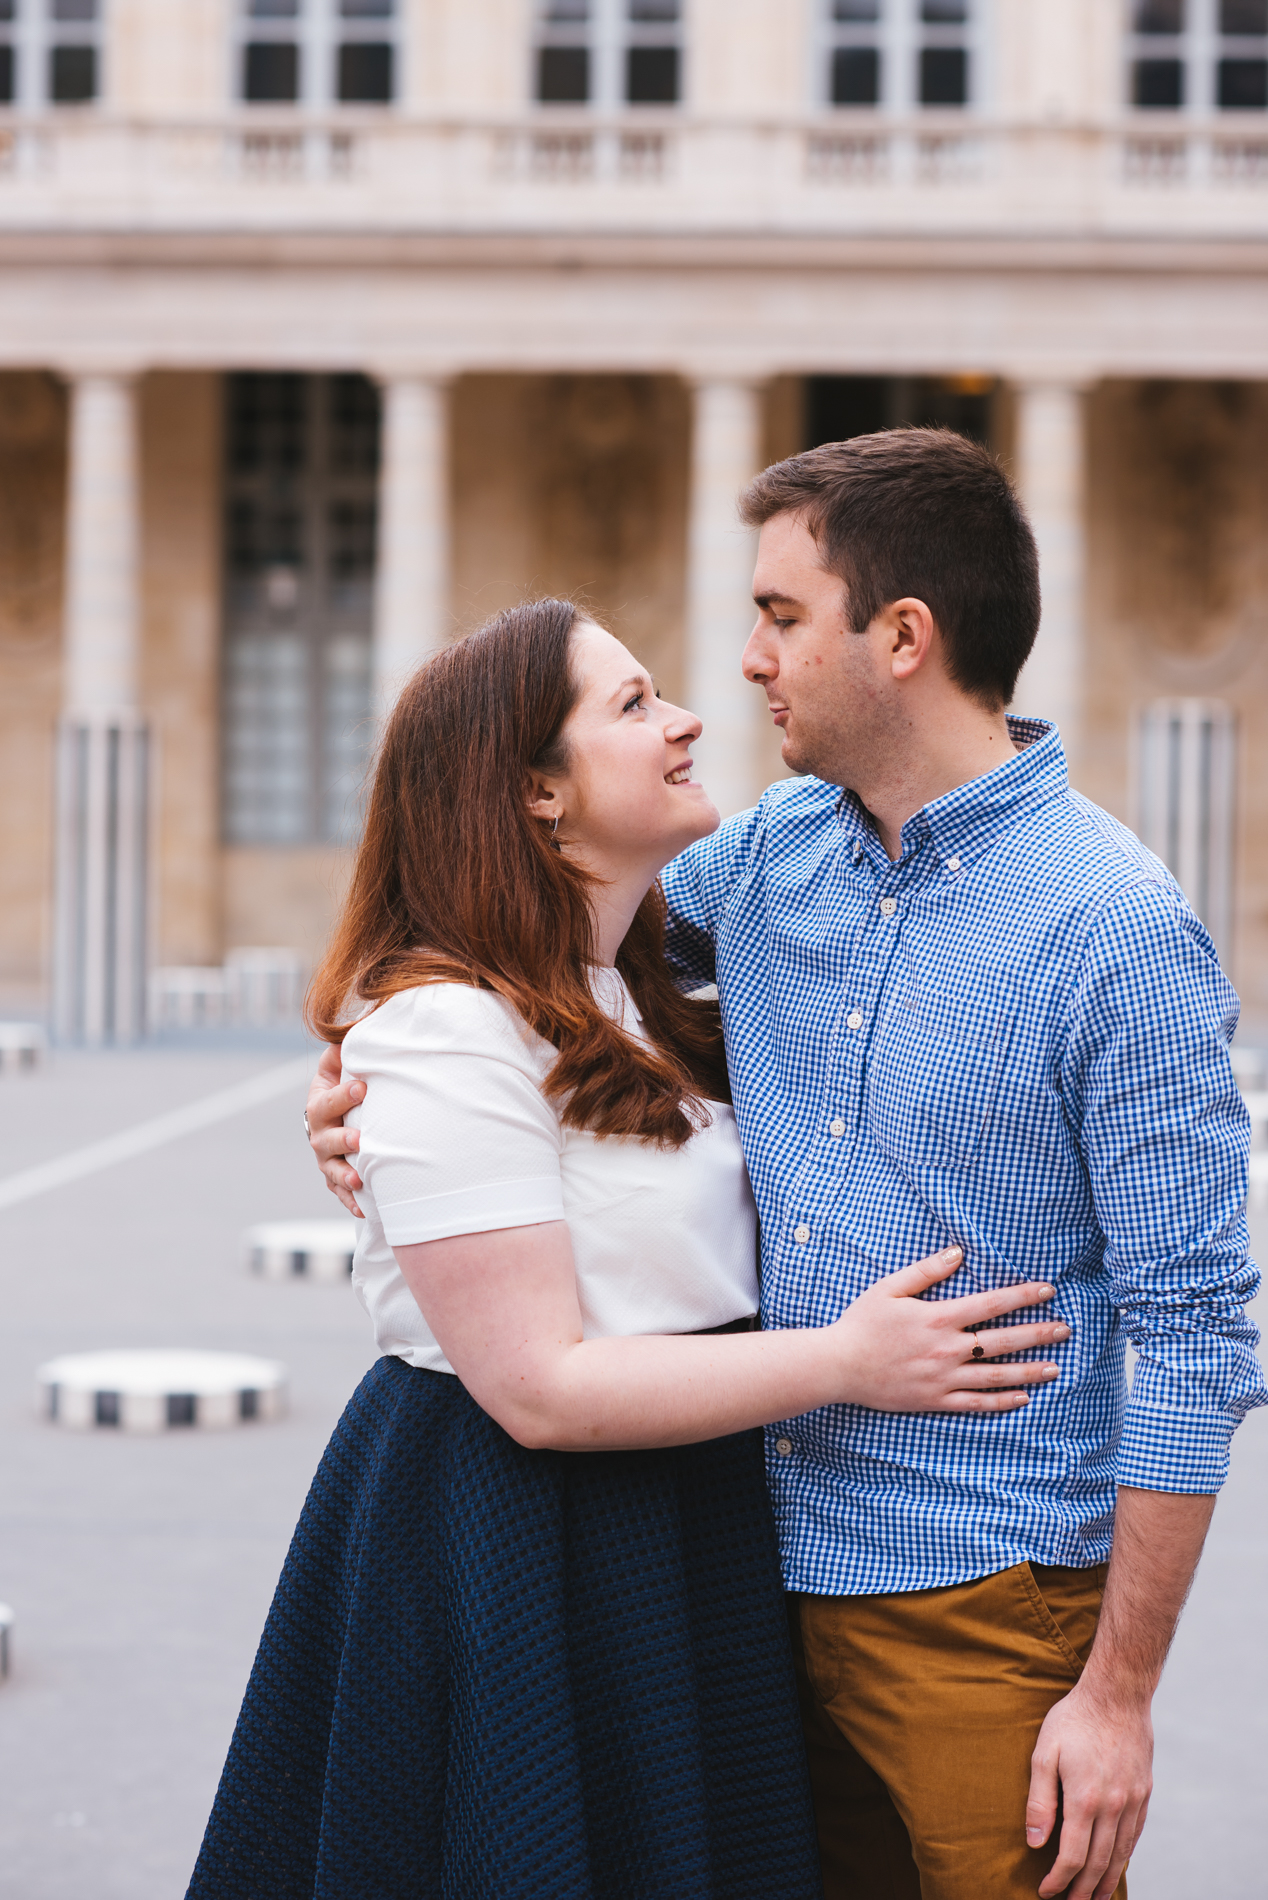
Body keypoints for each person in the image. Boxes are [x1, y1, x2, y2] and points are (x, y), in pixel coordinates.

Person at [310, 431, 1266, 1900]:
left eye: (778, 615)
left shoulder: (1116, 930)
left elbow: (1197, 1338)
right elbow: (529, 964)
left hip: (983, 1605)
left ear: (901, 639)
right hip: (735, 1583)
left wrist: (1119, 1692)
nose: (745, 661)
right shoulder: (761, 862)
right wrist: (365, 1091)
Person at [189, 597, 1068, 1900]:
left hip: (676, 1525)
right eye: (635, 703)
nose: (689, 717)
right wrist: (846, 1360)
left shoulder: (655, 994)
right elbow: (539, 1388)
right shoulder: (444, 1032)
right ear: (539, 795)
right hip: (517, 1537)